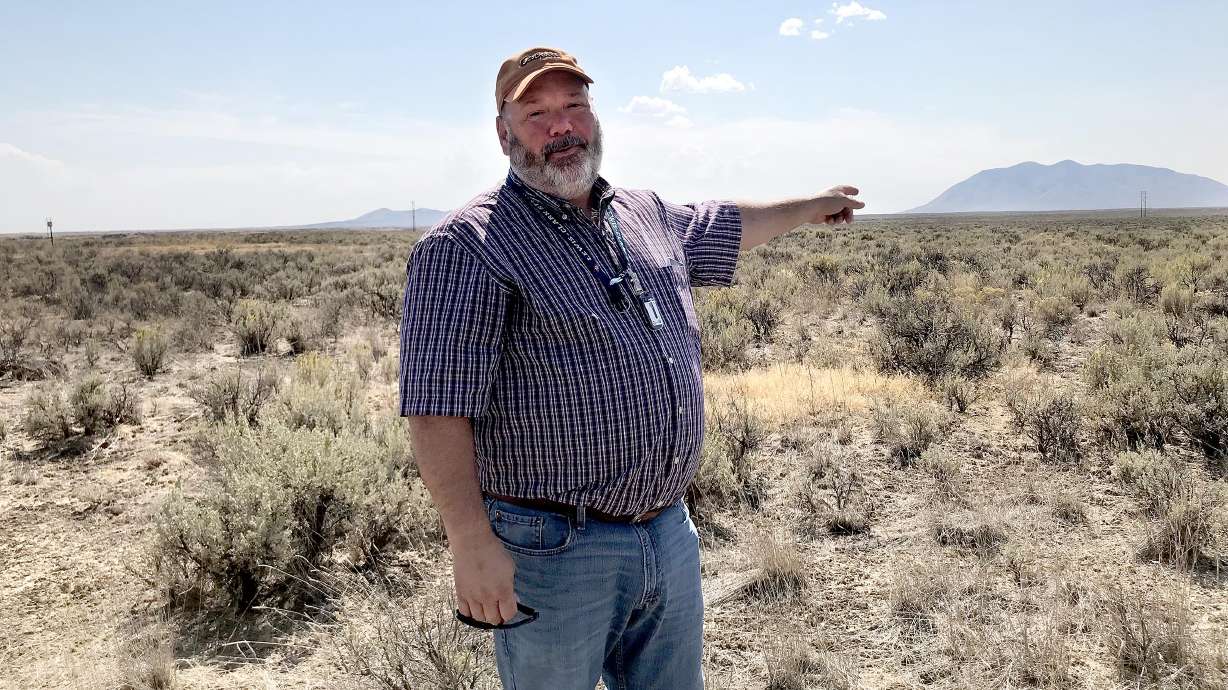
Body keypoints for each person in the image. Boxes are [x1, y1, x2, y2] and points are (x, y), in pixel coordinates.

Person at [398, 46, 864, 690]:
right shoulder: (468, 246)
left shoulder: (640, 212)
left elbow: (726, 225)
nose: (561, 126)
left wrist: (810, 207)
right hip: (553, 549)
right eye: (536, 112)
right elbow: (436, 408)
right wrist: (470, 544)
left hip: (667, 529)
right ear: (502, 131)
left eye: (574, 106)